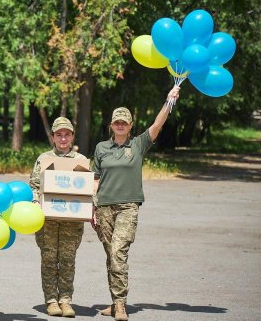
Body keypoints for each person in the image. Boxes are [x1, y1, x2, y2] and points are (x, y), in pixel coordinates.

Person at [92, 86, 180, 321]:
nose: (120, 125)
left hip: (128, 207)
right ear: (111, 125)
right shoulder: (101, 148)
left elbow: (158, 124)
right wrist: (92, 207)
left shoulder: (139, 144)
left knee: (119, 252)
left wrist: (169, 100)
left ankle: (120, 305)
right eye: (117, 122)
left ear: (130, 126)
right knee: (111, 255)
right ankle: (115, 301)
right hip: (104, 208)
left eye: (125, 122)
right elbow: (95, 178)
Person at [29, 117, 87, 317]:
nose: (63, 139)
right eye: (59, 135)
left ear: (72, 136)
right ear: (52, 137)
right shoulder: (44, 159)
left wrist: (91, 208)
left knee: (68, 260)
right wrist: (36, 201)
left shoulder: (81, 161)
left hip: (72, 221)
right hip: (47, 221)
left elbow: (90, 188)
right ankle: (51, 300)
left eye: (67, 134)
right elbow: (34, 185)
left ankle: (66, 300)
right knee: (49, 260)